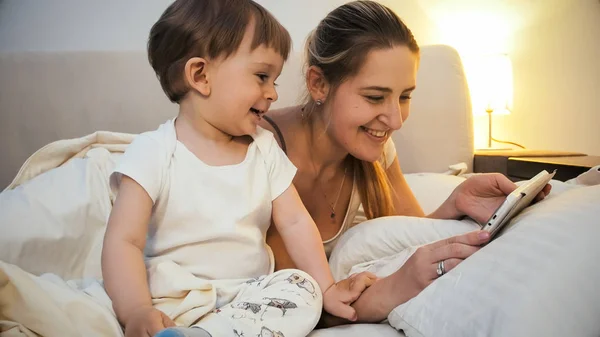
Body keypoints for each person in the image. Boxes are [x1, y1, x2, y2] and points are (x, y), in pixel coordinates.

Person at [261, 0, 551, 325]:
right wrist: (395, 287)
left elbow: (406, 236)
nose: (396, 120)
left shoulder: (378, 151)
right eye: (374, 97)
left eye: (405, 96)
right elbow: (291, 303)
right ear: (319, 84)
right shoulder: (262, 152)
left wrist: (454, 206)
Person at [100, 1, 375, 337]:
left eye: (274, 80)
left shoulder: (264, 149)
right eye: (262, 76)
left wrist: (326, 286)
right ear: (200, 76)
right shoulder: (153, 151)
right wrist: (137, 311)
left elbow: (295, 220)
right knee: (93, 304)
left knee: (302, 287)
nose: (273, 93)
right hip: (171, 297)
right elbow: (123, 241)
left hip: (248, 299)